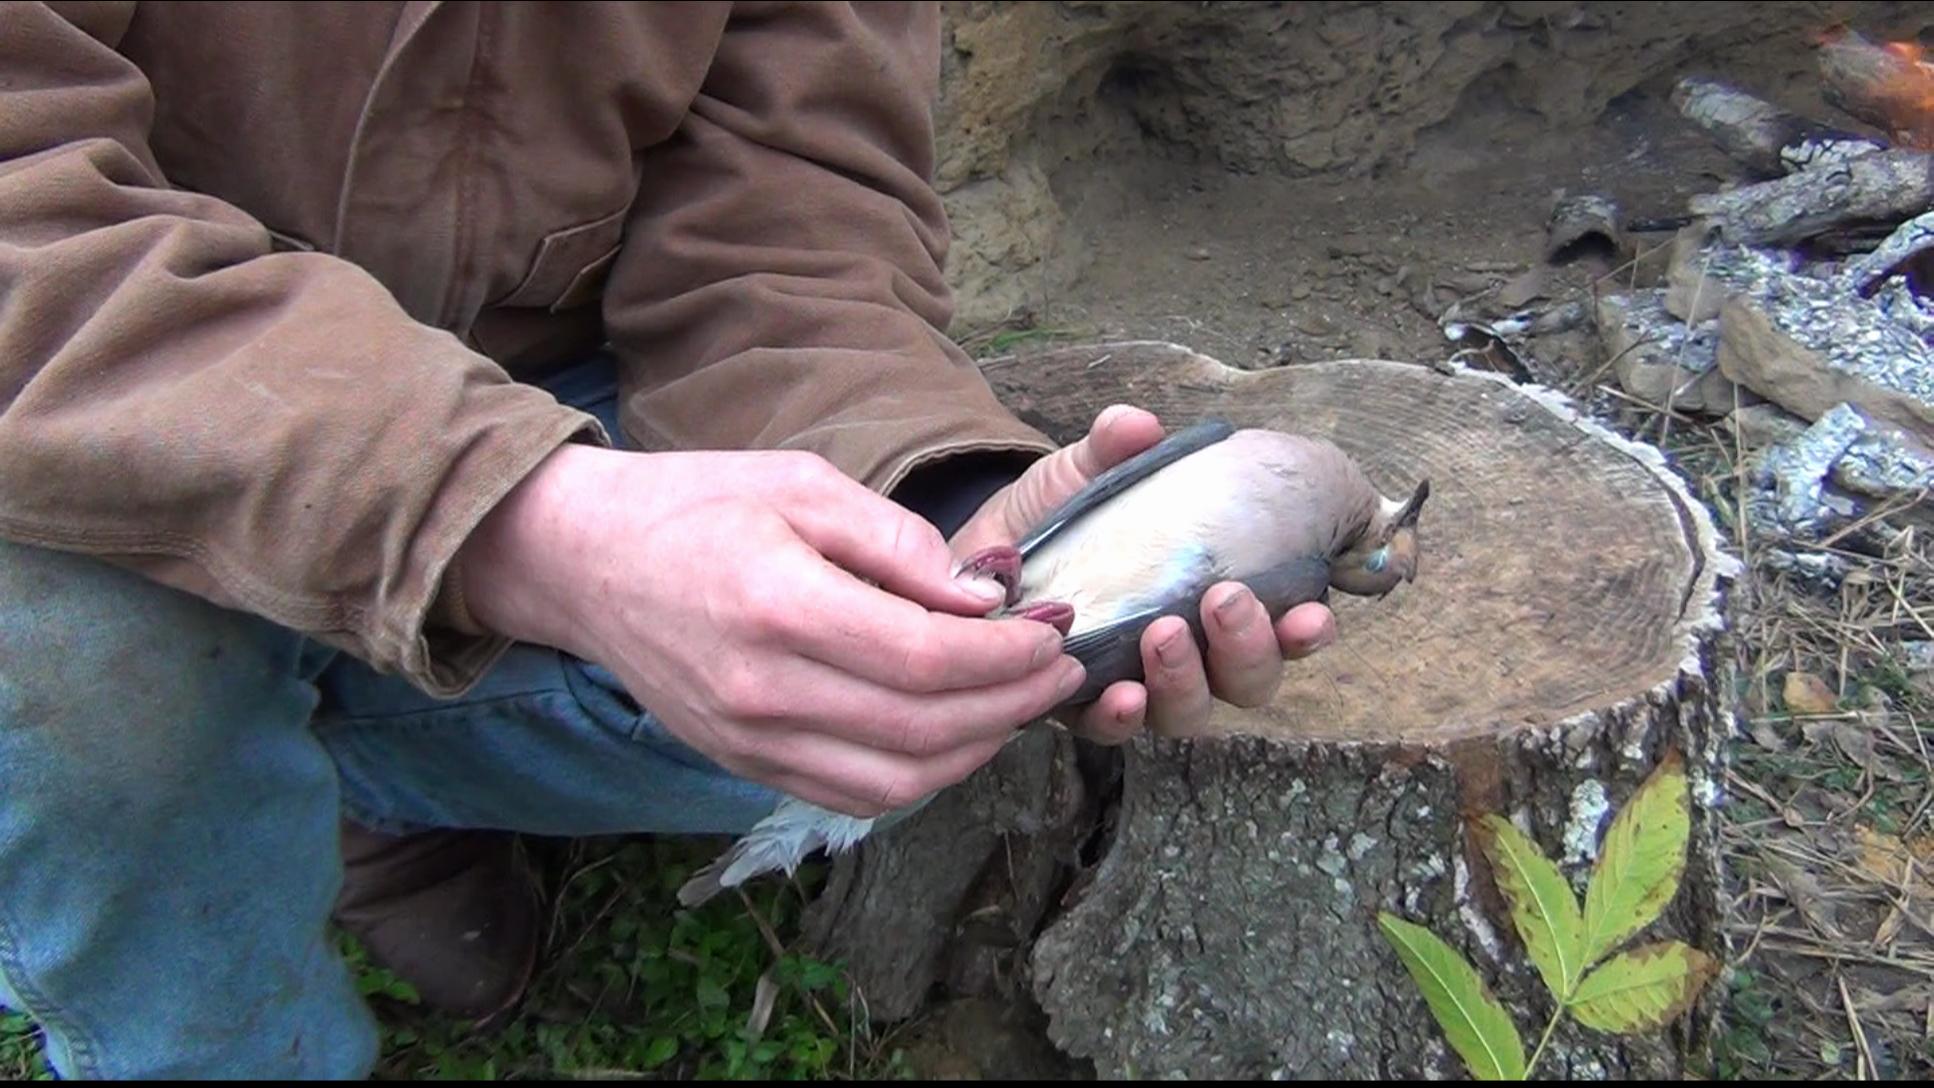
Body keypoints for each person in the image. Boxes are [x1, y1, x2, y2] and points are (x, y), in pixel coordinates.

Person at [0, 2, 1337, 1078]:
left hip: (543, 406)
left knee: (864, 694)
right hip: (93, 415)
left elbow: (791, 232)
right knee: (74, 679)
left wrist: (928, 526)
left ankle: (356, 783)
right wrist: (516, 517)